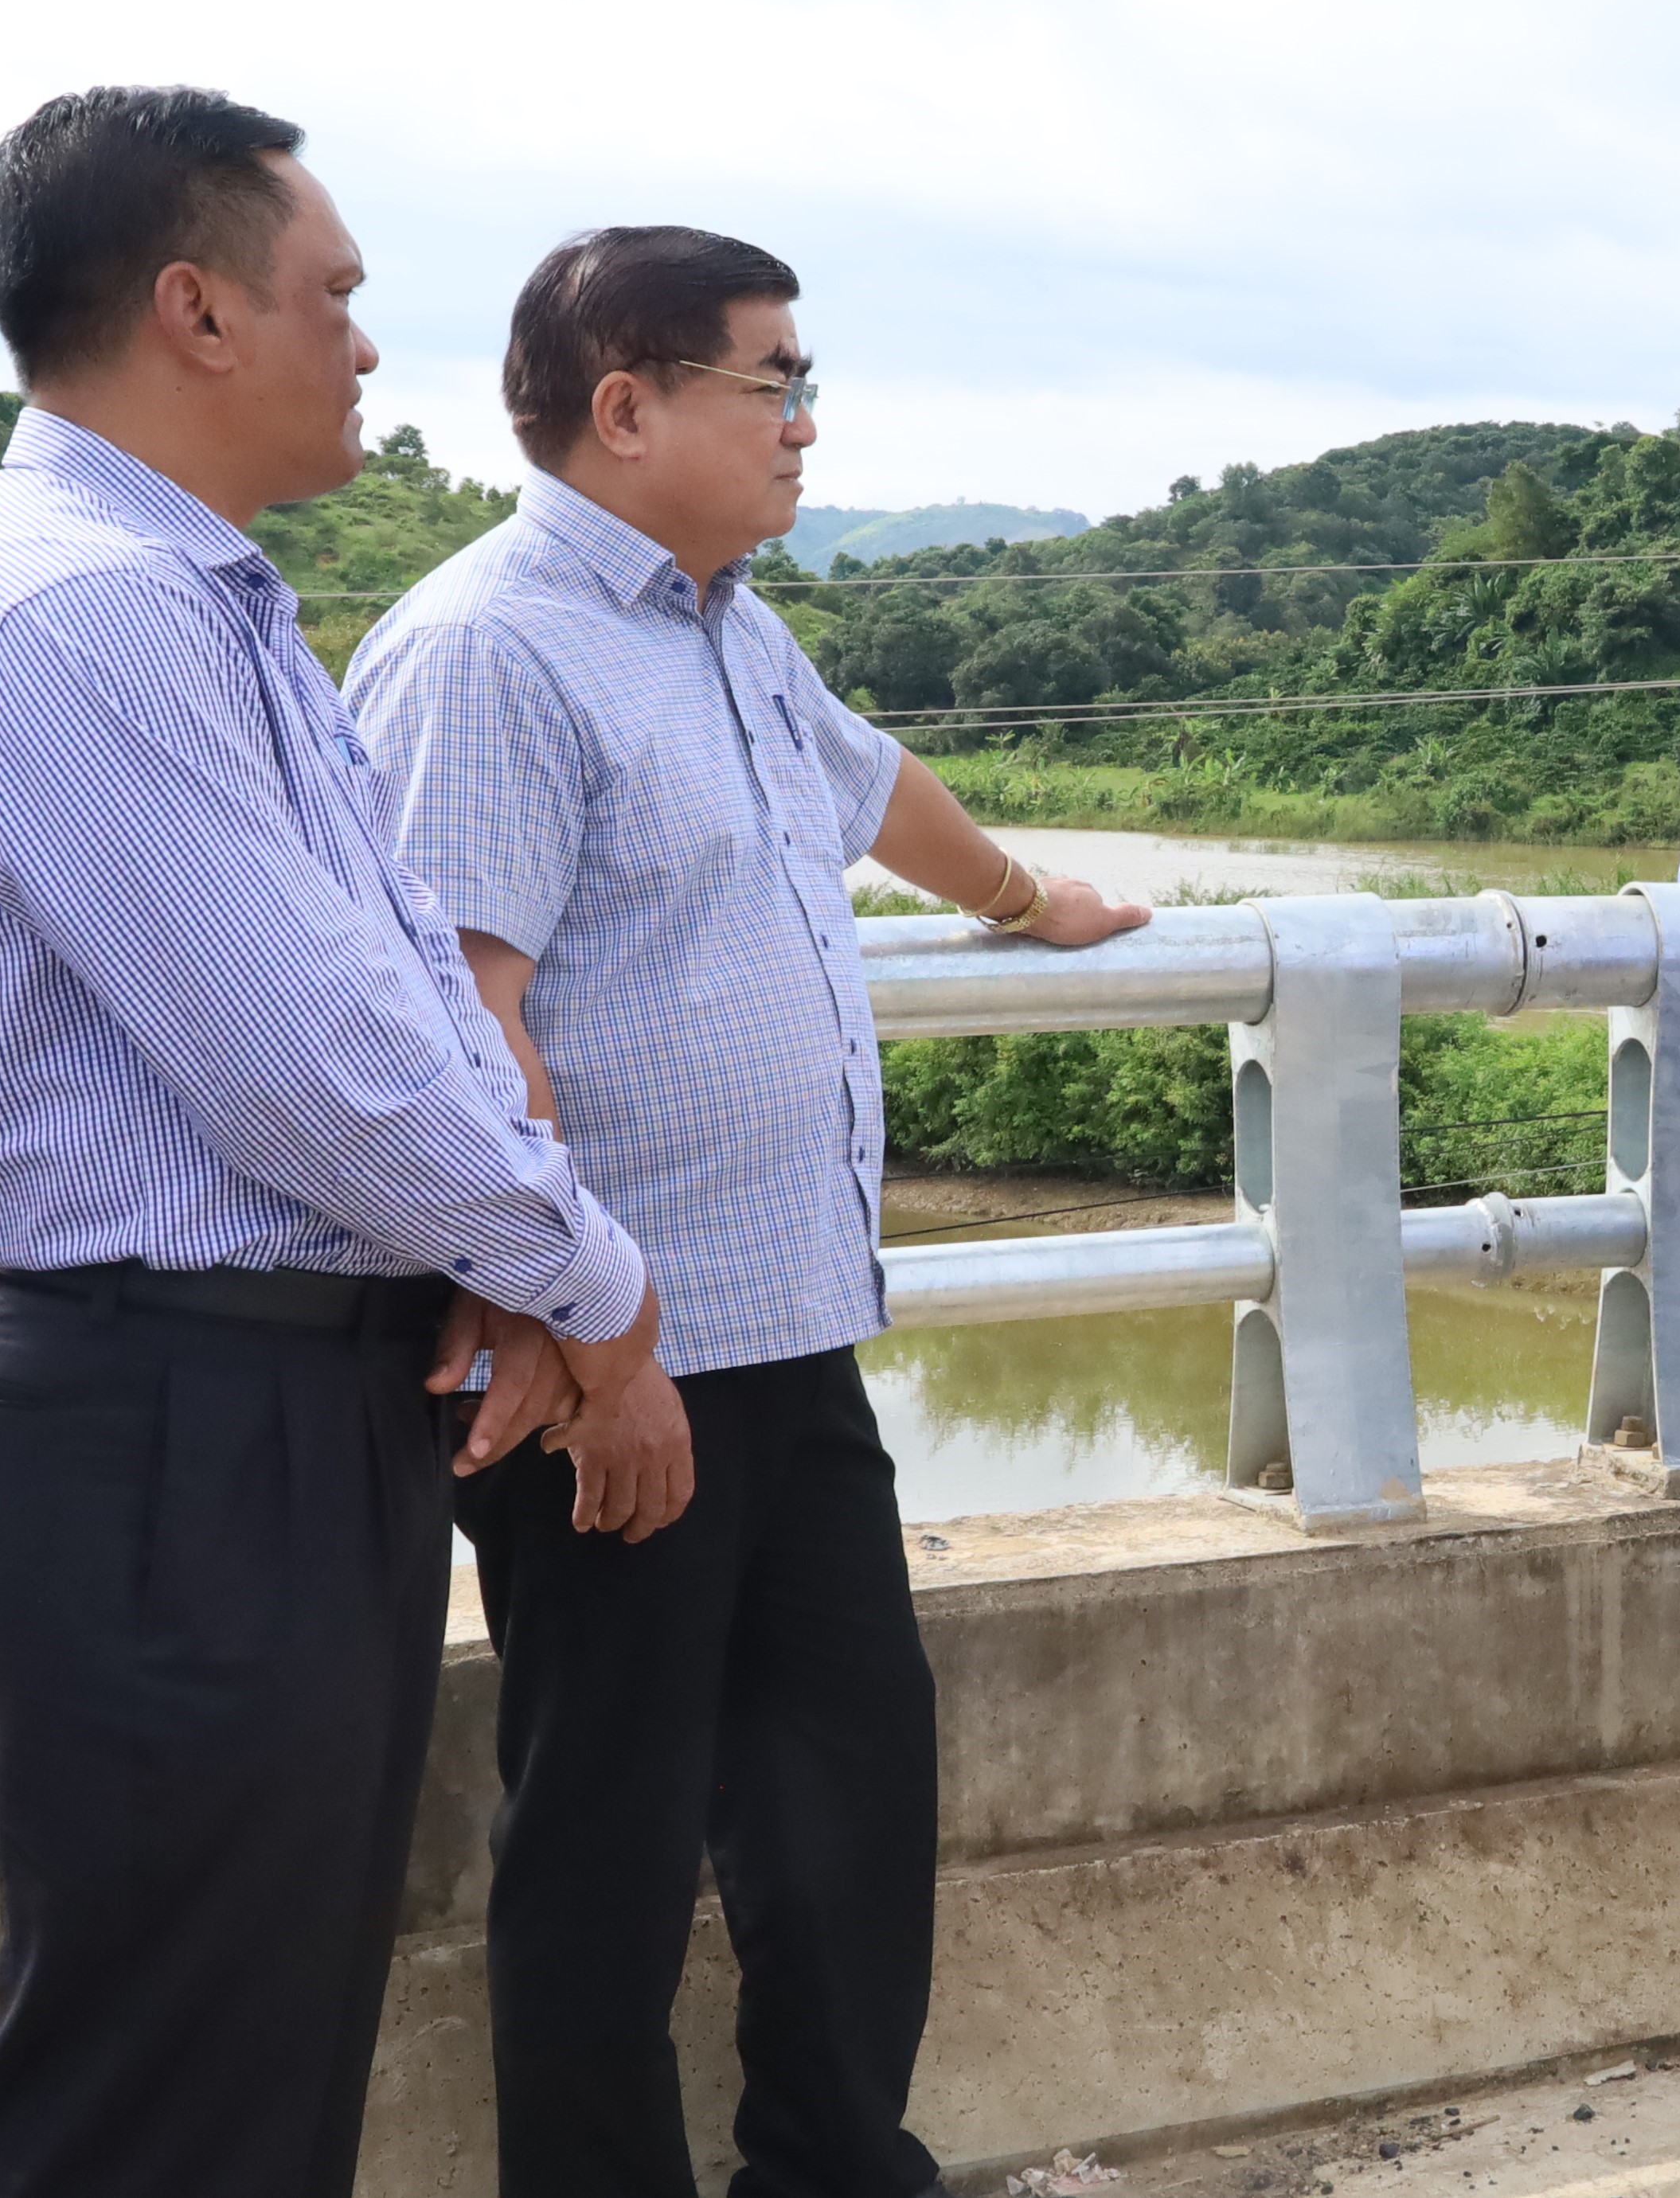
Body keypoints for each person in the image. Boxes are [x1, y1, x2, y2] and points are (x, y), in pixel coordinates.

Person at [0, 88, 673, 2196]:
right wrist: (594, 1279)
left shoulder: (204, 601)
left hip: (267, 1395)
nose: (364, 341)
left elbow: (401, 980)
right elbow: (313, 1057)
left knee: (257, 2040)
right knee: (165, 2079)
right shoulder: (73, 617)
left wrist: (501, 1254)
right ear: (193, 308)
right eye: (332, 292)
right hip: (172, 1414)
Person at [342, 225, 1147, 2198]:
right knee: (607, 1840)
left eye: (806, 384)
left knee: (848, 1788)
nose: (805, 424)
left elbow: (875, 789)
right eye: (769, 383)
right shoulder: (487, 647)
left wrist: (1027, 904)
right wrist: (582, 1337)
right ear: (624, 408)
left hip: (789, 1326)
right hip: (618, 1358)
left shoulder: (721, 622)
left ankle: (833, 2162)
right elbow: (467, 1030)